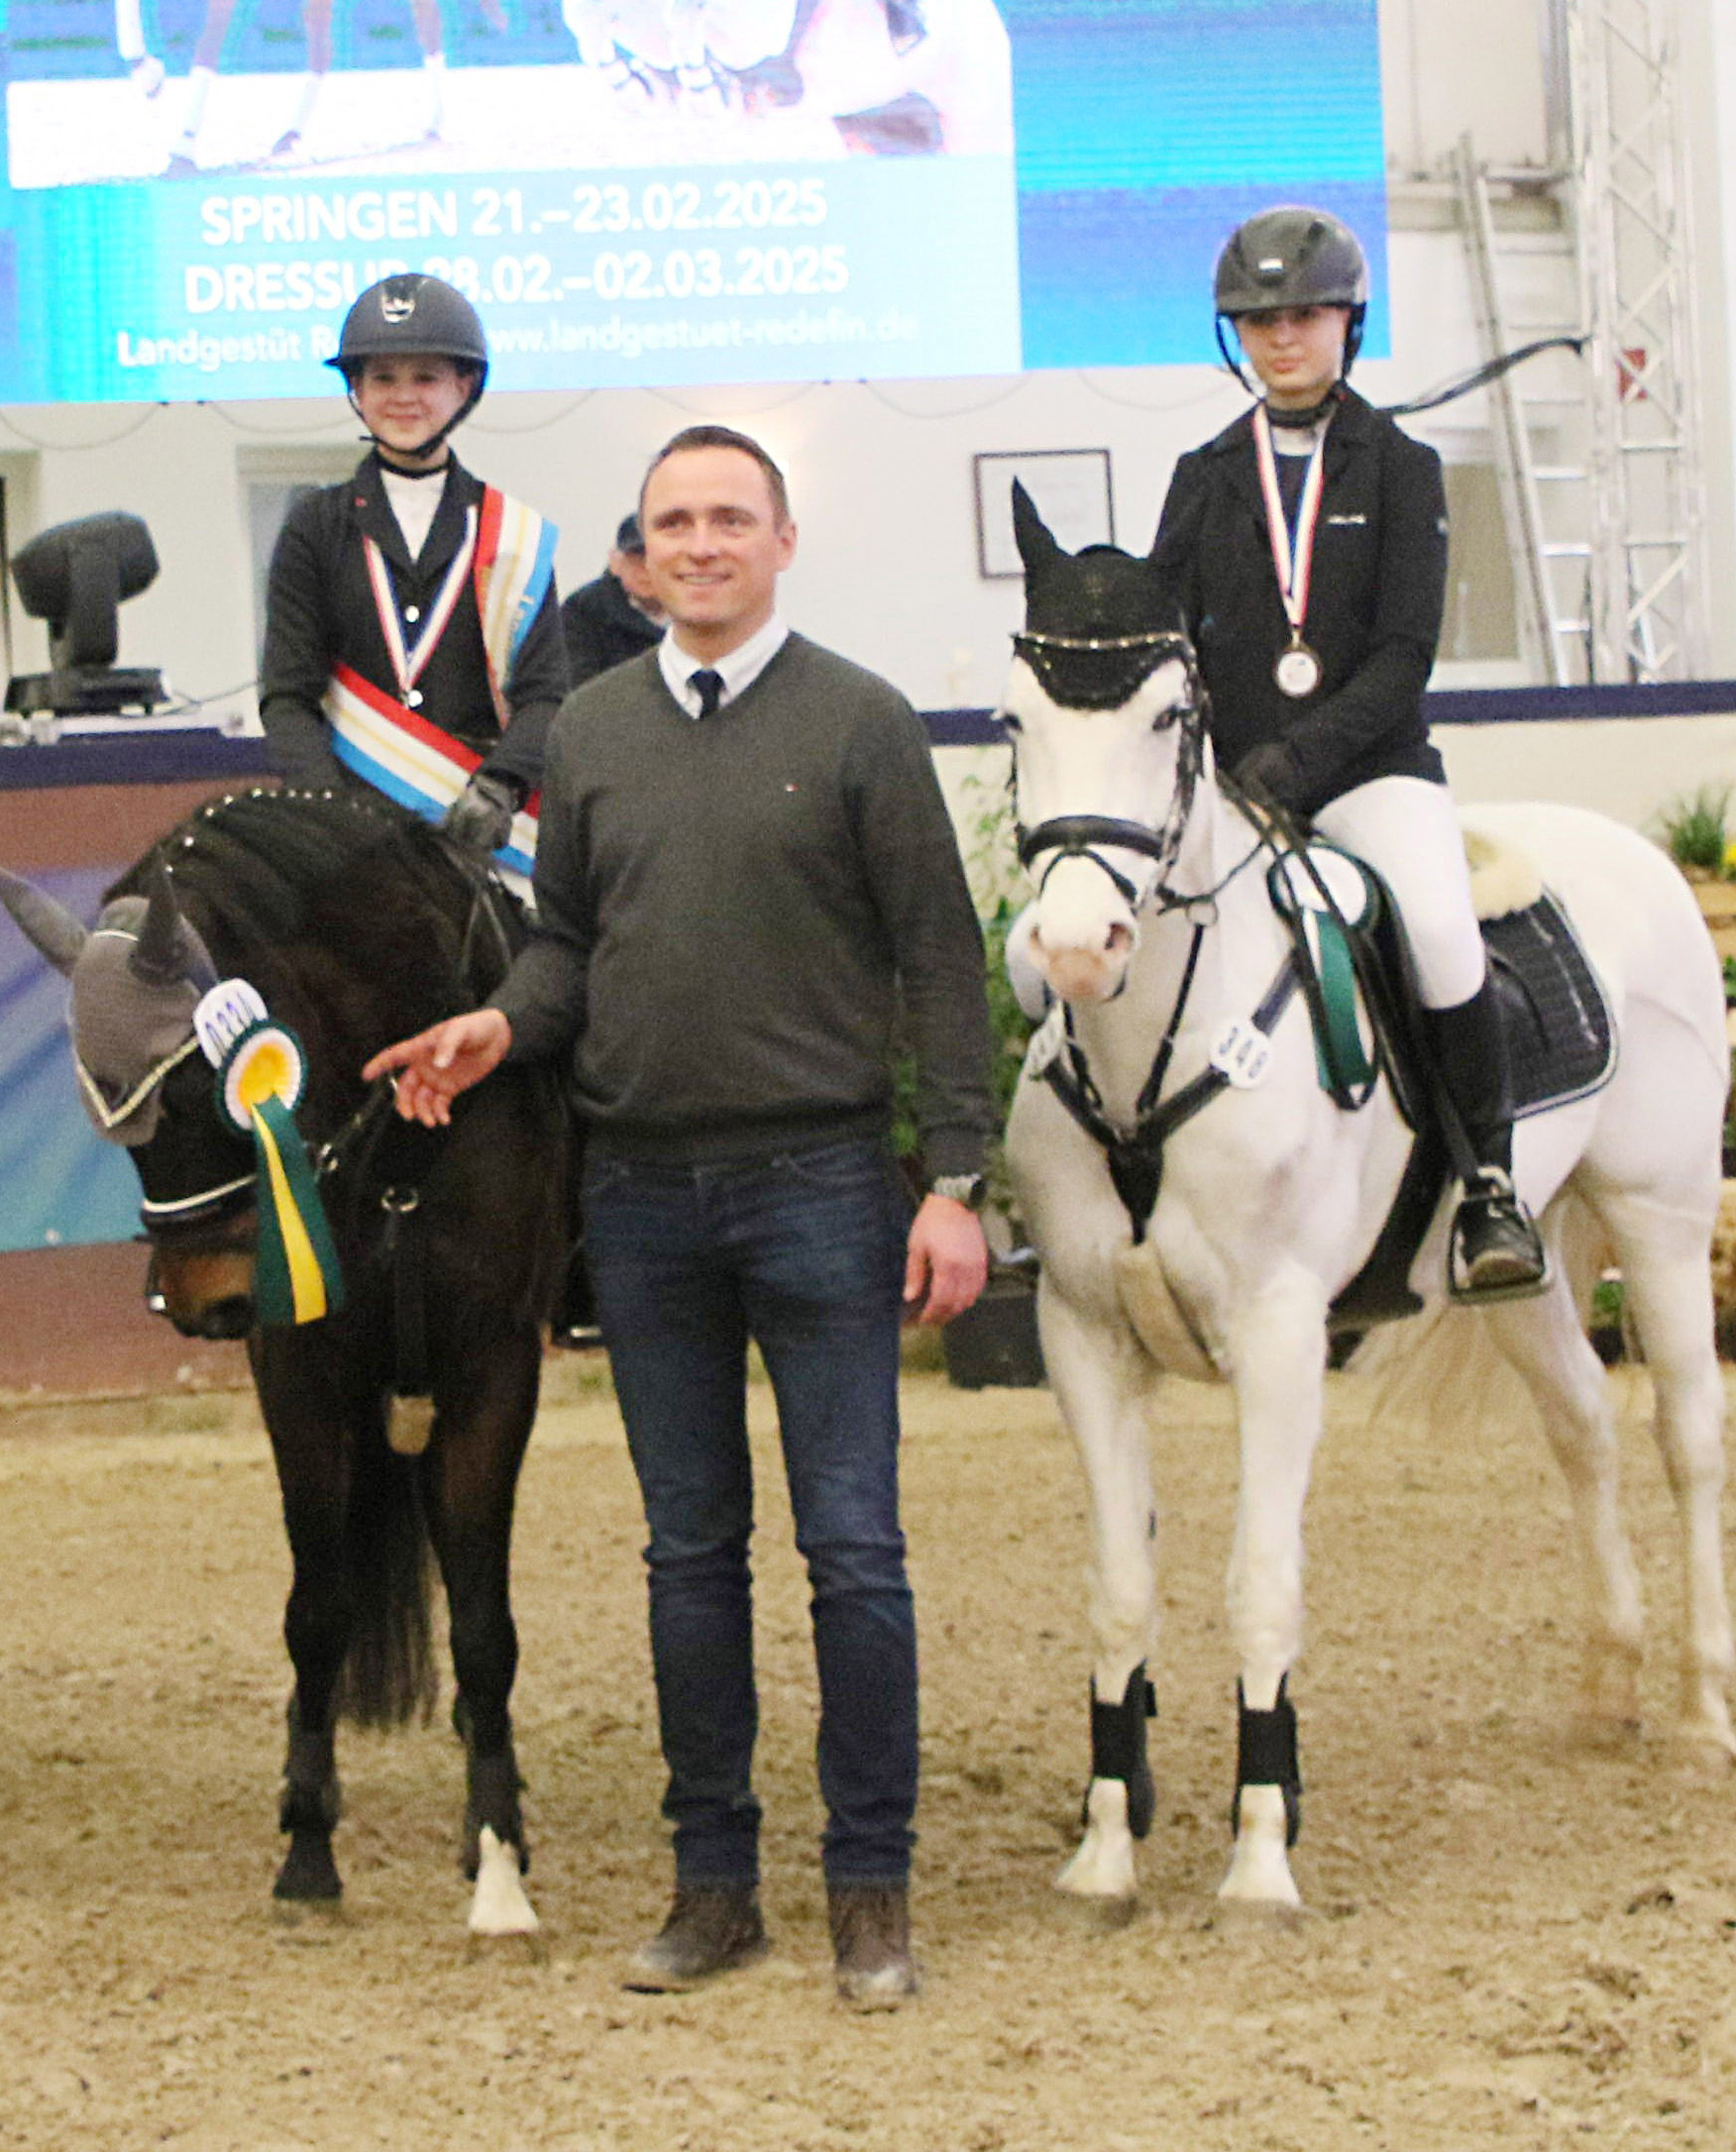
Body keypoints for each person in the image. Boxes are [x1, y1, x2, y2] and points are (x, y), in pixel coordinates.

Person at [363, 425, 997, 2010]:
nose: (700, 545)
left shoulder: (860, 724)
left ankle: (870, 1891)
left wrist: (957, 1185)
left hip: (822, 1190)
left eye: (730, 518)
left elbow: (939, 963)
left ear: (781, 541)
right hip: (638, 1199)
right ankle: (712, 1886)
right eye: (671, 525)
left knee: (850, 1550)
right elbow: (570, 943)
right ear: (636, 562)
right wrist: (496, 1027)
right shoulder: (586, 733)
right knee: (685, 1556)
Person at [1148, 204, 1547, 1302]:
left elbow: (1404, 656)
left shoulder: (1401, 466)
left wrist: (1303, 759)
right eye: (1259, 321)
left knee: (1434, 924)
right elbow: (1170, 642)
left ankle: (1489, 1191)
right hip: (1233, 783)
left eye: (1306, 316)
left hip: (1370, 769)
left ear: (1347, 324)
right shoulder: (1200, 474)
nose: (1283, 339)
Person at [256, 271, 567, 870]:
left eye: (425, 377)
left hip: (480, 830)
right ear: (357, 390)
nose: (404, 396)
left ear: (464, 385)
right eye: (383, 378)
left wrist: (500, 787)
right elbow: (288, 697)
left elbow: (546, 696)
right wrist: (331, 813)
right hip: (350, 834)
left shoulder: (514, 535)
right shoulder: (314, 527)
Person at [559, 513, 666, 686]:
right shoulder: (582, 610)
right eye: (636, 560)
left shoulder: (699, 609)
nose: (646, 570)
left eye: (655, 559)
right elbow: (578, 686)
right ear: (616, 563)